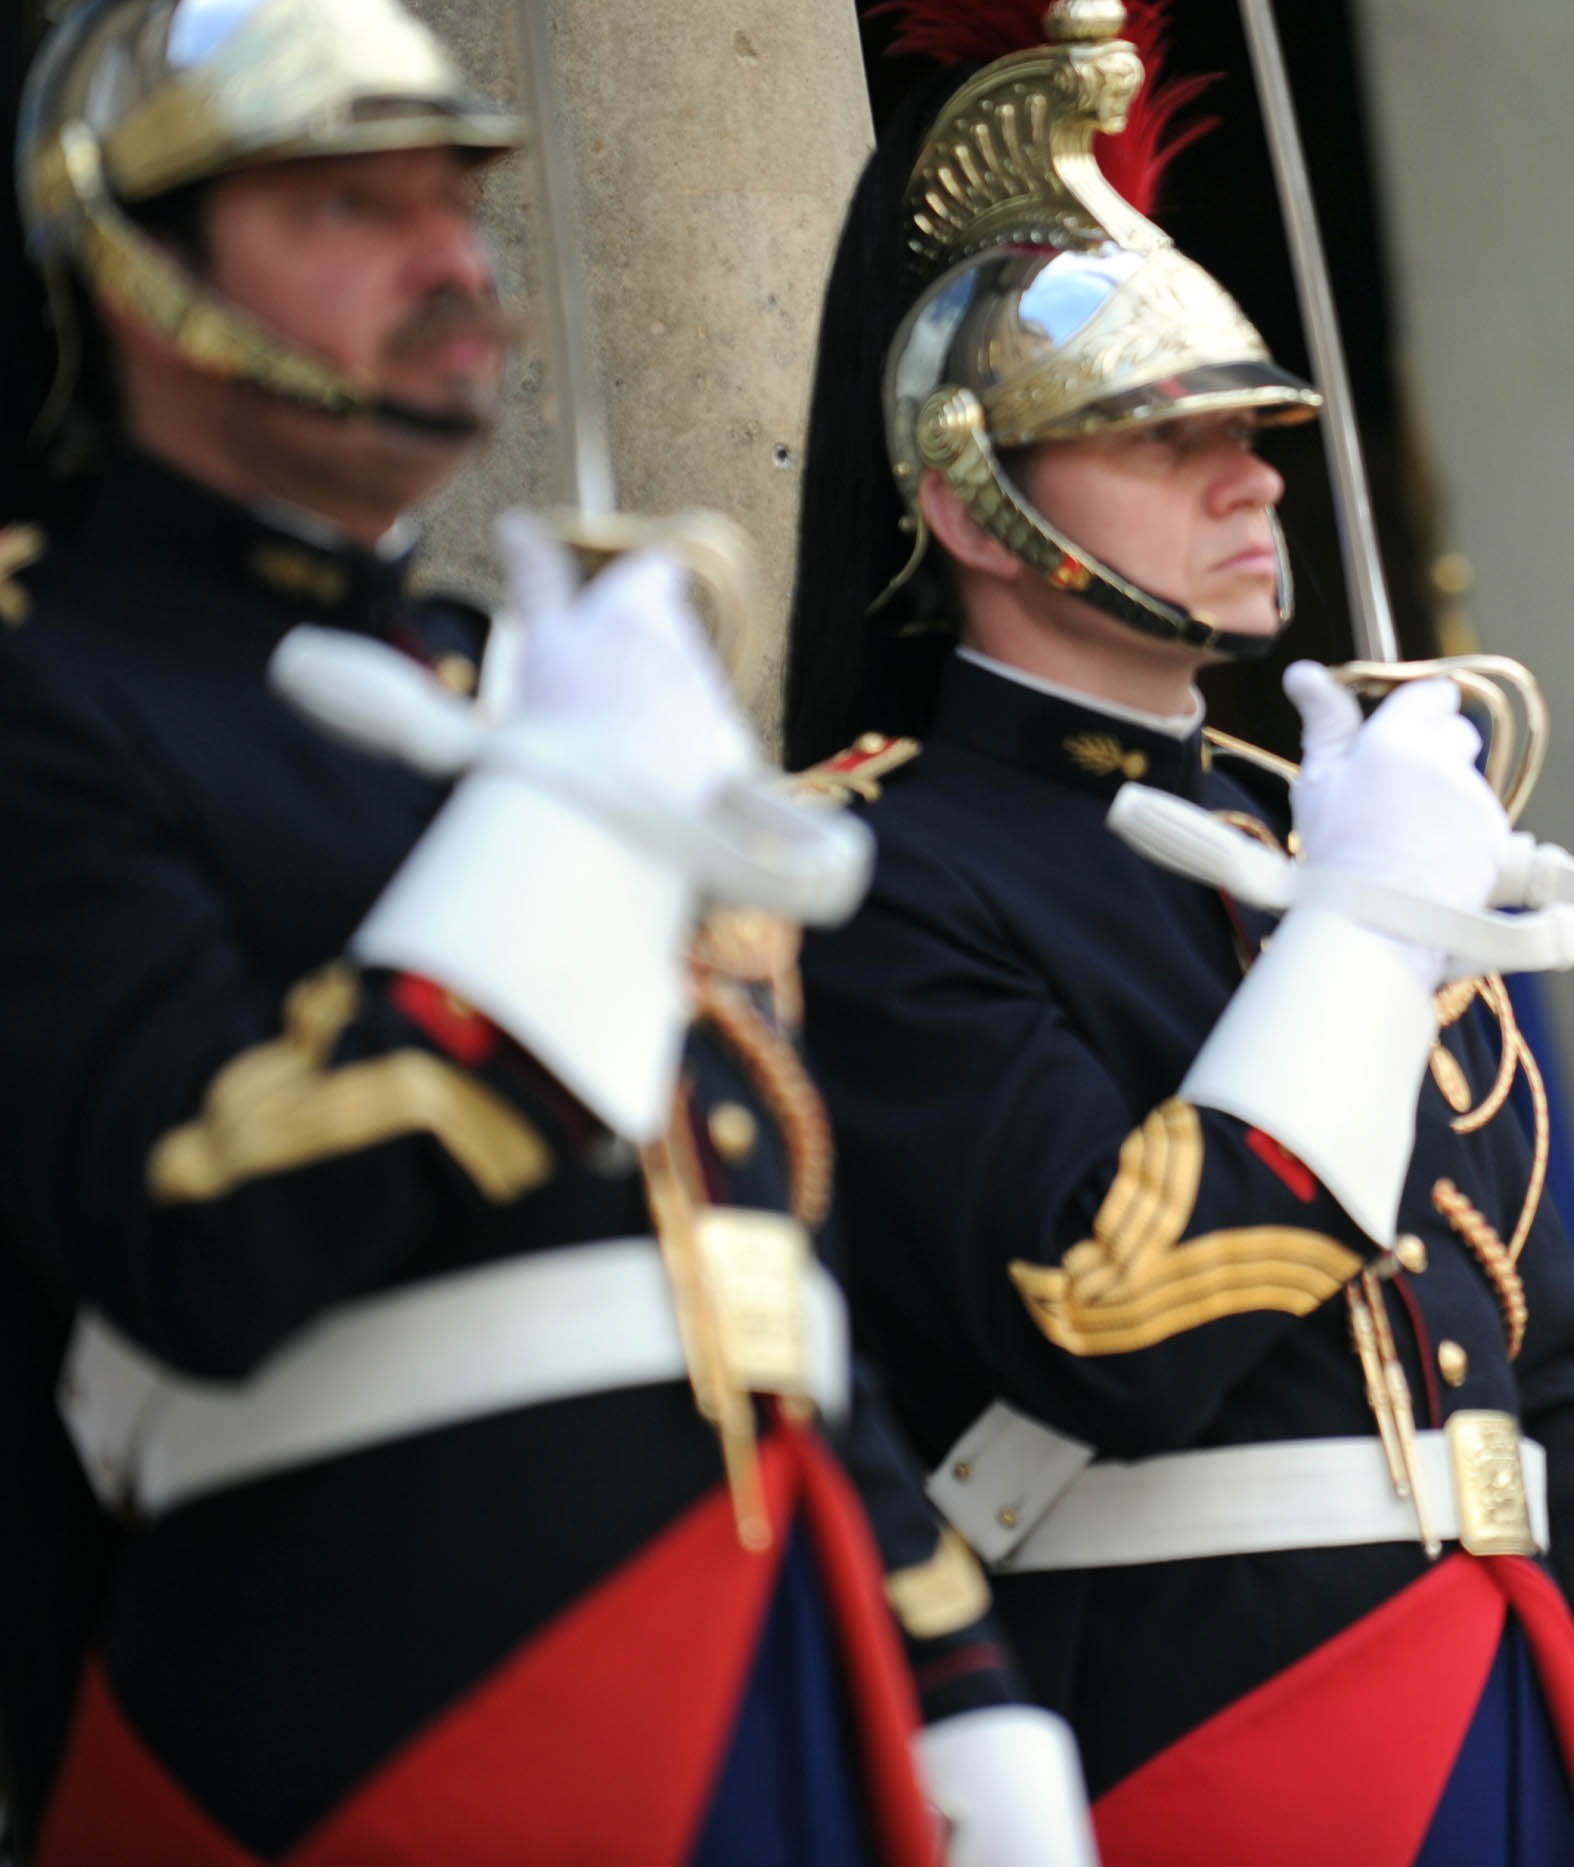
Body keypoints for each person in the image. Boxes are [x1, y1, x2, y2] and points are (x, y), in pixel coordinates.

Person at [0, 1, 1090, 1859]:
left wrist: (962, 1694)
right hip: (382, 1720)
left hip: (773, 1666)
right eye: (349, 207)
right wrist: (562, 838)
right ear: (135, 270)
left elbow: (748, 1259)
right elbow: (193, 1227)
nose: (450, 259)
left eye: (458, 200)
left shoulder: (511, 684)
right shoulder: (59, 688)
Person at [782, 3, 1574, 1862]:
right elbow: (1115, 1318)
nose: (1251, 479)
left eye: (1250, 428)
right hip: (1194, 1729)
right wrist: (1366, 929)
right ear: (968, 498)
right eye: (1161, 435)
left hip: (1515, 1711)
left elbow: (1546, 1378)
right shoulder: (874, 867)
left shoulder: (1334, 826)